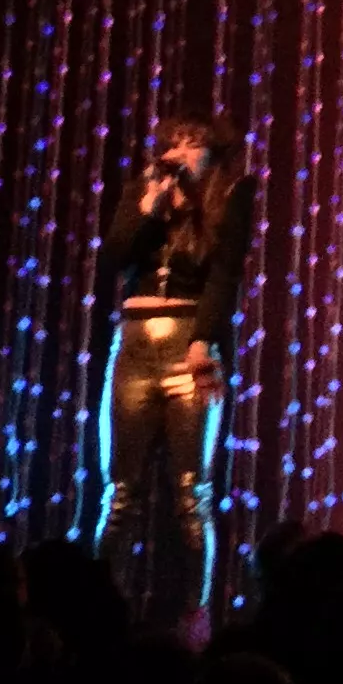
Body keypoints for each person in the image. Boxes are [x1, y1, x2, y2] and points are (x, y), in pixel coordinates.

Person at [101, 116, 256, 627]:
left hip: (191, 343)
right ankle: (98, 611)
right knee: (120, 493)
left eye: (193, 145)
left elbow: (225, 275)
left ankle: (196, 616)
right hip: (134, 344)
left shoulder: (229, 195)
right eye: (174, 144)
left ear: (213, 154)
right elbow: (115, 258)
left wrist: (202, 340)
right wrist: (150, 207)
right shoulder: (144, 191)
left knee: (192, 494)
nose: (181, 152)